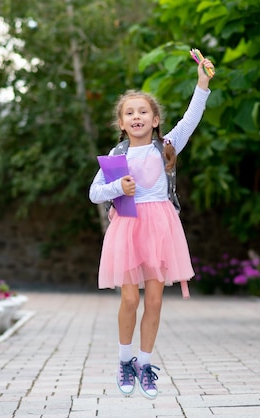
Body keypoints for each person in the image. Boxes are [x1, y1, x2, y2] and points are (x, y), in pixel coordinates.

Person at [89, 56, 214, 399]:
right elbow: (94, 192)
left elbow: (191, 119)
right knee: (130, 299)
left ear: (155, 120)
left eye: (143, 112)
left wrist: (202, 83)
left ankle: (145, 365)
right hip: (128, 229)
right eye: (130, 113)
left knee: (155, 301)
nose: (137, 117)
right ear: (122, 122)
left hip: (160, 228)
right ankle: (124, 360)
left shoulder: (166, 147)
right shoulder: (117, 155)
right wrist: (119, 188)